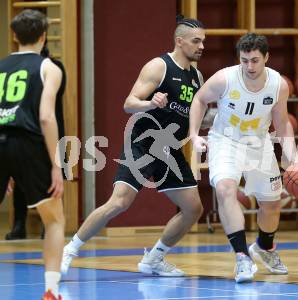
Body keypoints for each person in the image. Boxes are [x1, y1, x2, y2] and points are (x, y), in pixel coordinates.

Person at [61, 17, 206, 277]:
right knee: (119, 202)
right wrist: (151, 103)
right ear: (179, 41)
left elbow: (197, 114)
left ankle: (154, 258)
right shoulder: (159, 67)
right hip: (143, 142)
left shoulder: (196, 76)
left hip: (169, 149)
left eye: (203, 41)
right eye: (196, 41)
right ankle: (70, 249)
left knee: (193, 208)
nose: (201, 46)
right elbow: (129, 103)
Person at [189, 33, 296, 283]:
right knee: (226, 189)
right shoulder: (225, 78)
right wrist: (194, 134)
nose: (249, 66)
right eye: (244, 60)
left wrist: (293, 157)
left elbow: (281, 123)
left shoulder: (278, 84)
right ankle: (241, 257)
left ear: (266, 58)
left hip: (259, 143)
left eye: (255, 60)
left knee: (271, 204)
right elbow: (200, 99)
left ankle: (264, 248)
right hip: (225, 140)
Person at [0, 9, 65, 300]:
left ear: (14, 36)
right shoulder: (49, 67)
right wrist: (56, 163)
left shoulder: (0, 66)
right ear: (44, 36)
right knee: (54, 218)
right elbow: (46, 117)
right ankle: (51, 291)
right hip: (28, 143)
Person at [4, 44, 66, 241]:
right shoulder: (12, 67)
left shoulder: (53, 67)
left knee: (53, 183)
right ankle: (20, 223)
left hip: (46, 130)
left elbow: (49, 110)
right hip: (23, 130)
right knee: (20, 179)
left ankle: (48, 226)